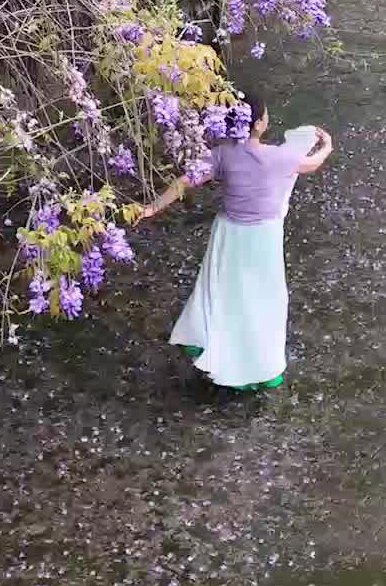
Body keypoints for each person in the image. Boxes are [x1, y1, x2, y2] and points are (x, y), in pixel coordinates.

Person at [141, 95, 334, 391]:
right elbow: (312, 164)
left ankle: (205, 337)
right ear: (258, 124)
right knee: (264, 297)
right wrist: (326, 146)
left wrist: (152, 208)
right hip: (263, 238)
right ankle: (259, 366)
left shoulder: (222, 155)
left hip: (229, 233)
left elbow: (184, 181)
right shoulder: (279, 157)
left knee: (221, 290)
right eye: (265, 115)